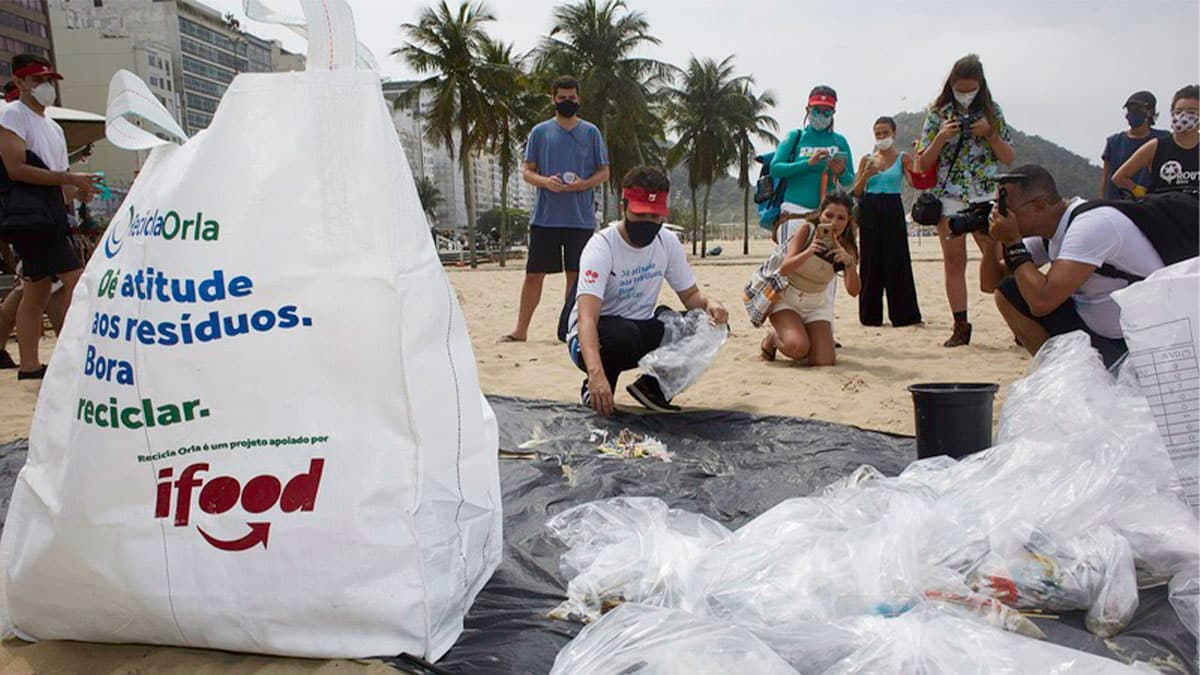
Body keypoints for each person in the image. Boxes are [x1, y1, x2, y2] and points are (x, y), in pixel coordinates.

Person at [567, 166, 728, 415]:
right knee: (623, 335)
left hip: (639, 328)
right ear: (624, 207)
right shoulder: (602, 246)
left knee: (711, 327)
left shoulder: (666, 241)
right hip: (593, 338)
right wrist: (595, 373)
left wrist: (710, 304)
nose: (648, 223)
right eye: (641, 215)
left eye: (655, 217)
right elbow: (586, 318)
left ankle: (653, 388)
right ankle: (597, 388)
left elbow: (690, 296)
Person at [984, 165, 1169, 368]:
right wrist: (991, 240)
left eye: (1006, 210)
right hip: (1099, 332)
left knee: (1036, 294)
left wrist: (1013, 243)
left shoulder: (1090, 226)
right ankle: (1058, 374)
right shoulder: (1050, 230)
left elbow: (1042, 302)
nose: (1001, 215)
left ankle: (1068, 377)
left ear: (1038, 205)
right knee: (1008, 292)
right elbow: (992, 282)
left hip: (1140, 344)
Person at [0, 54, 98, 379]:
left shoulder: (53, 127)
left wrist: (78, 189)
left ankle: (30, 364)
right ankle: (73, 350)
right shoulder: (11, 115)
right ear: (20, 82)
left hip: (50, 214)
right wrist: (68, 180)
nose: (46, 87)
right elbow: (16, 169)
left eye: (48, 80)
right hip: (29, 217)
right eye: (38, 80)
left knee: (37, 290)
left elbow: (60, 176)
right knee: (75, 279)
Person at [500, 75, 610, 344]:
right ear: (553, 99)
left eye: (571, 98)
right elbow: (527, 172)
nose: (567, 102)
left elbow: (604, 171)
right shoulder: (540, 132)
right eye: (562, 98)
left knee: (575, 277)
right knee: (534, 274)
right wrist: (545, 182)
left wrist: (584, 184)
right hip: (545, 218)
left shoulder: (591, 132)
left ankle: (568, 330)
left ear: (579, 99)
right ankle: (521, 329)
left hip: (580, 219)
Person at [915, 54, 1015, 347]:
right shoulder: (938, 113)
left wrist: (990, 134)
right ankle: (960, 326)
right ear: (951, 85)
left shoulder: (992, 111)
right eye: (960, 88)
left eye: (971, 88)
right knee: (954, 262)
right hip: (950, 197)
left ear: (981, 86)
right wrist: (941, 138)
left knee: (1001, 257)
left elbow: (1008, 157)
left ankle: (1018, 318)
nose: (965, 95)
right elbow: (921, 165)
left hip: (986, 193)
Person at [759, 191, 861, 366]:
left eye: (841, 218)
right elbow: (784, 269)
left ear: (848, 220)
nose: (833, 222)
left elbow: (854, 291)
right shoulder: (806, 230)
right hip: (787, 299)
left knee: (824, 361)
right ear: (820, 213)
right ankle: (773, 338)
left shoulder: (847, 246)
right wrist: (809, 252)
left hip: (816, 304)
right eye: (829, 215)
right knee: (797, 347)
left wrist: (849, 264)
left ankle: (801, 332)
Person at [851, 116, 922, 327]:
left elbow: (914, 181)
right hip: (870, 208)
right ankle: (870, 316)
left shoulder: (902, 158)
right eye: (878, 133)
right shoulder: (866, 158)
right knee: (870, 261)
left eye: (885, 133)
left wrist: (918, 158)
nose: (881, 137)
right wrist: (865, 175)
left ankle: (904, 315)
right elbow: (856, 191)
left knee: (897, 259)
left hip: (892, 207)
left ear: (894, 133)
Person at [767, 85, 855, 236]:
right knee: (791, 258)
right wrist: (807, 163)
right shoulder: (795, 137)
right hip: (794, 213)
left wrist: (840, 171)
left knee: (822, 260)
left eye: (826, 111)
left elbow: (849, 180)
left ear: (833, 113)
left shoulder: (840, 141)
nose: (821, 115)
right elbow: (775, 168)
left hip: (827, 217)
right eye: (816, 110)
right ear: (807, 110)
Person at [1112, 85, 1199, 196]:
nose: (1183, 116)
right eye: (1179, 111)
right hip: (1162, 209)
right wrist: (1139, 193)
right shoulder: (1156, 146)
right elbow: (1119, 177)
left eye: (1191, 112)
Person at [1100, 91, 1169, 199]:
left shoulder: (1163, 139)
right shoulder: (1114, 142)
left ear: (1150, 112)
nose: (1131, 113)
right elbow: (1105, 179)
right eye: (1129, 109)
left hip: (1150, 205)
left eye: (1137, 109)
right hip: (1117, 206)